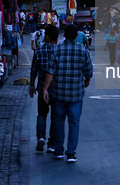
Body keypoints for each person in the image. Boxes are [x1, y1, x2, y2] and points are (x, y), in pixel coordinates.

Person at [43, 24, 93, 163]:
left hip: (59, 93)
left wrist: (45, 89)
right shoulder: (83, 50)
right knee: (74, 123)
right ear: (77, 35)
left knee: (58, 121)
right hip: (76, 94)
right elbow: (88, 71)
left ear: (63, 35)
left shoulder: (57, 49)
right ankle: (71, 153)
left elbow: (50, 71)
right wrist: (87, 81)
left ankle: (59, 150)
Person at [29, 25, 59, 153]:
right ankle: (52, 144)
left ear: (47, 36)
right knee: (55, 117)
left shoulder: (39, 51)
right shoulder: (59, 51)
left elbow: (34, 70)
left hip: (42, 89)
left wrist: (32, 85)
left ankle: (41, 137)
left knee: (42, 114)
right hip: (57, 89)